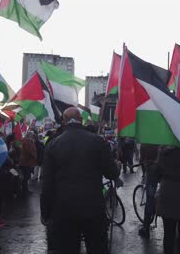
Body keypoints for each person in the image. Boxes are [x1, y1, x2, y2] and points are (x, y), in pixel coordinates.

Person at [40, 107, 120, 254]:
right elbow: (112, 173)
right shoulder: (98, 141)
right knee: (97, 248)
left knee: (68, 249)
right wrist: (117, 166)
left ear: (64, 122)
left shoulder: (53, 145)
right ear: (81, 120)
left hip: (64, 210)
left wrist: (45, 212)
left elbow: (47, 184)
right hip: (93, 208)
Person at [138, 144, 160, 239]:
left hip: (152, 172)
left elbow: (142, 158)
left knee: (150, 200)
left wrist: (145, 161)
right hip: (163, 171)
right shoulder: (163, 137)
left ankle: (146, 228)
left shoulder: (145, 141)